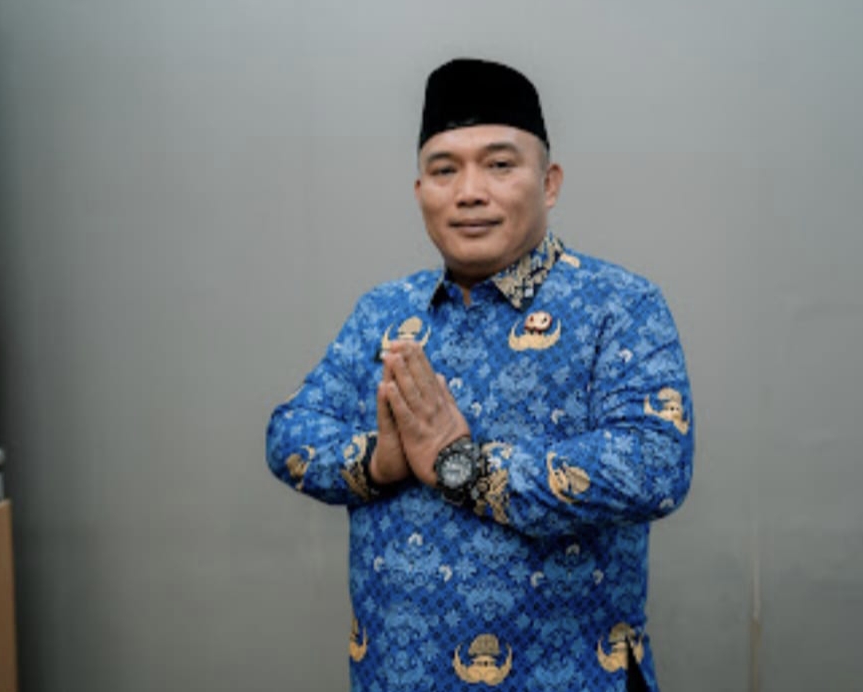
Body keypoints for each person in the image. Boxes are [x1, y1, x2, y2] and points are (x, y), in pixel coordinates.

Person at [266, 57, 694, 692]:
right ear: (420, 191)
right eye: (445, 170)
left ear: (549, 182)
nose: (469, 192)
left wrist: (465, 466)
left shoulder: (619, 306)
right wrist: (378, 463)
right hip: (394, 677)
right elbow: (288, 434)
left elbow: (655, 465)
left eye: (499, 165)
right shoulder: (385, 312)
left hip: (572, 677)